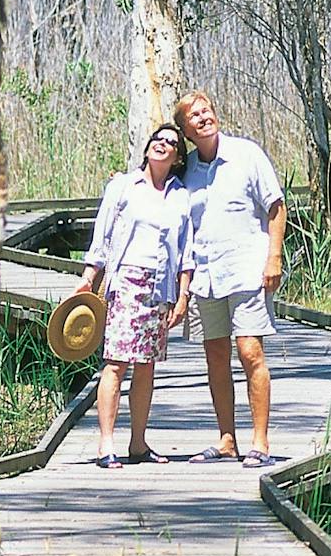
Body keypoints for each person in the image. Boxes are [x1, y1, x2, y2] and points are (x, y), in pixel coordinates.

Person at [174, 91, 287, 467]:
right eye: (194, 116)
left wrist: (274, 257)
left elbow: (275, 205)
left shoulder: (246, 154)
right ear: (186, 130)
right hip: (206, 274)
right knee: (216, 355)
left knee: (249, 351)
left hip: (246, 269)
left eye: (206, 109)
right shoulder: (186, 168)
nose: (203, 117)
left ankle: (260, 442)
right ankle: (227, 440)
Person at [75, 125, 194, 468]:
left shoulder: (179, 195)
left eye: (172, 143)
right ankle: (105, 444)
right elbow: (103, 236)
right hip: (126, 281)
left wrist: (183, 295)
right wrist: (88, 278)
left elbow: (186, 251)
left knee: (147, 366)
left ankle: (138, 443)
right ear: (147, 148)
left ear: (177, 157)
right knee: (116, 362)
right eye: (158, 139)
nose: (163, 144)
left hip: (161, 287)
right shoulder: (123, 186)